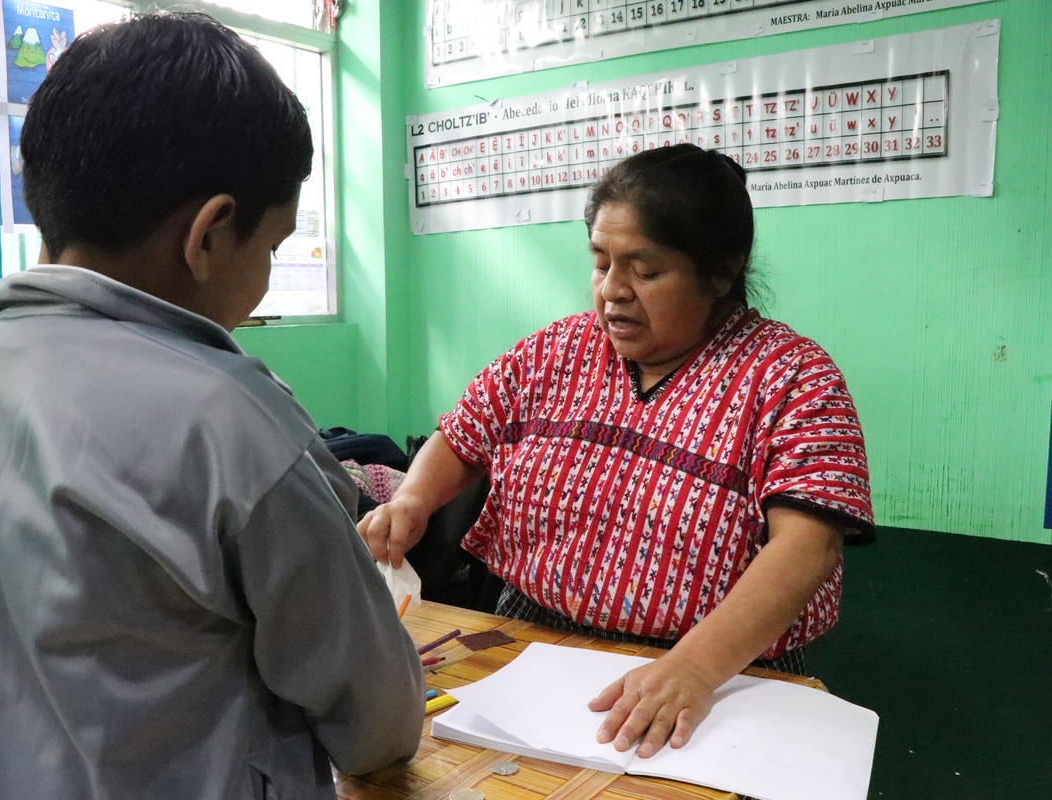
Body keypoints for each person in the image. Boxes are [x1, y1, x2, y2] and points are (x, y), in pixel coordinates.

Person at [0, 13, 423, 799]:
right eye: (273, 247)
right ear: (209, 234)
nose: (269, 272)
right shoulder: (229, 421)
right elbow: (376, 724)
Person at [359, 144, 873, 760]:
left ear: (722, 270)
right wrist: (413, 501)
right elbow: (465, 434)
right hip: (532, 651)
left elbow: (808, 546)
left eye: (646, 270)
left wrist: (695, 669)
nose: (613, 292)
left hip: (720, 679)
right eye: (601, 264)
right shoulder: (556, 351)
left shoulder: (791, 376)